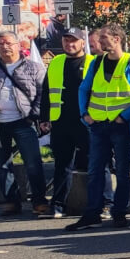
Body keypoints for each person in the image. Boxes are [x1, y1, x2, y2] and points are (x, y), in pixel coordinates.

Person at [67, 25, 130, 231]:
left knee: (121, 171)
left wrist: (124, 116)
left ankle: (119, 213)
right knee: (95, 171)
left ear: (117, 39)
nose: (99, 42)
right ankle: (92, 213)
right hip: (98, 126)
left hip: (122, 126)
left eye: (103, 38)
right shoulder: (97, 63)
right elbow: (84, 89)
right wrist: (85, 114)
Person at [0, 31, 49, 217]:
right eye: (0, 44)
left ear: (18, 45)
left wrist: (34, 115)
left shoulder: (34, 68)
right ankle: (11, 201)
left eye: (8, 43)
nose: (4, 47)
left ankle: (39, 201)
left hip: (24, 122)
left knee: (32, 163)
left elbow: (43, 94)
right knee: (2, 164)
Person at [43, 27, 96, 218]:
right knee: (62, 165)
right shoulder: (56, 62)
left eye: (74, 41)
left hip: (87, 121)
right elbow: (47, 92)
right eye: (66, 40)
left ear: (83, 43)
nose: (69, 44)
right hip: (61, 121)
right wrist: (44, 118)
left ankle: (102, 204)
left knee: (96, 163)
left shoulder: (93, 62)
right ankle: (57, 206)